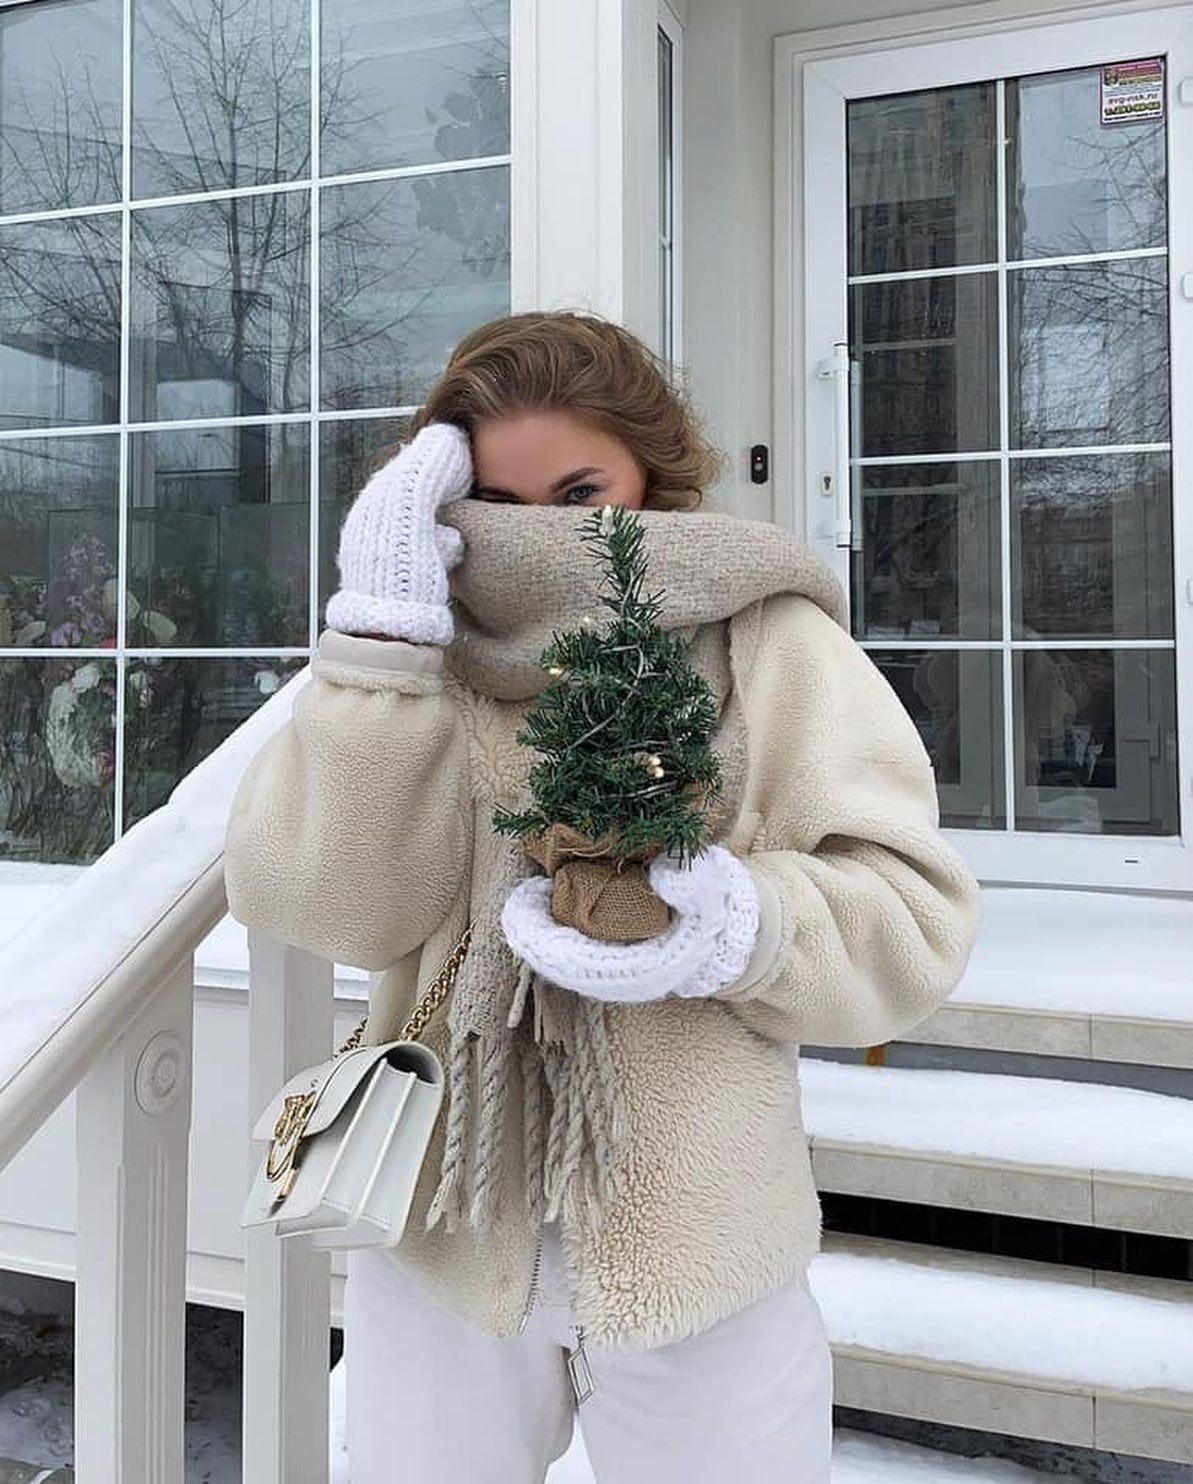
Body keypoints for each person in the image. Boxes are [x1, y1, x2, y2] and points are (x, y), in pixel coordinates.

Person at [224, 309, 983, 1484]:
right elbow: (332, 908)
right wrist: (376, 642)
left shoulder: (760, 634)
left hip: (700, 1240)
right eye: (501, 504)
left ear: (648, 467)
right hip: (446, 1228)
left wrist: (730, 923)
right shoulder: (419, 647)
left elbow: (909, 917)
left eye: (580, 493)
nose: (537, 538)